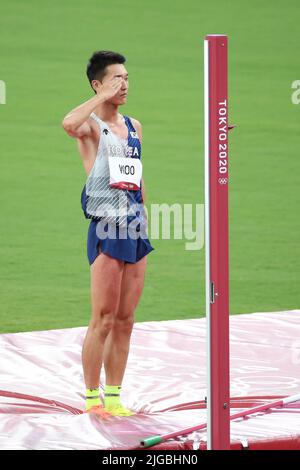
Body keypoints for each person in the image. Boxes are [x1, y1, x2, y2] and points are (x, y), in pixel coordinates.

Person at [62, 51, 154, 417]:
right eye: (117, 79)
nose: (125, 84)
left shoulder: (134, 126)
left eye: (128, 78)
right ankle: (91, 400)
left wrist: (146, 214)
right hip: (106, 226)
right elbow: (68, 123)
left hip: (134, 226)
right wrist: (100, 99)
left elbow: (138, 177)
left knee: (126, 319)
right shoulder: (89, 127)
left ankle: (114, 398)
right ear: (98, 84)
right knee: (102, 317)